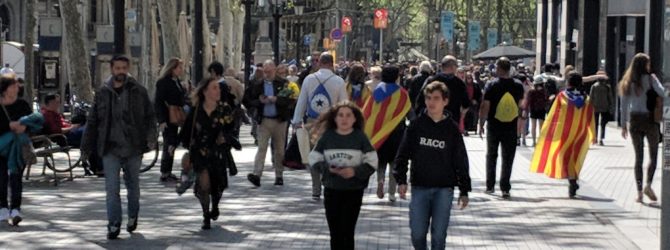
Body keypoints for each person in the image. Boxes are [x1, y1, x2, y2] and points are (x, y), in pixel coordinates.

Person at [81, 55, 157, 239]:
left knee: (133, 187)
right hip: (110, 148)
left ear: (128, 68)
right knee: (111, 188)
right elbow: (92, 121)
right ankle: (114, 224)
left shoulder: (139, 91)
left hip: (133, 147)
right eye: (117, 68)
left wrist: (151, 138)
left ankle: (132, 216)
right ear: (112, 69)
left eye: (124, 68)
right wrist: (85, 147)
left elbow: (149, 116)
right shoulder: (102, 93)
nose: (121, 71)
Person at [394, 81, 471, 250]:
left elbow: (460, 160)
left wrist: (464, 190)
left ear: (445, 101)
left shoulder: (452, 129)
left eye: (436, 98)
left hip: (444, 189)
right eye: (428, 98)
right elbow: (402, 154)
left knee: (438, 236)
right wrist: (401, 179)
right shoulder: (416, 126)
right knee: (417, 233)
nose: (431, 102)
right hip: (420, 186)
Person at [309, 101, 378, 250]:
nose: (344, 119)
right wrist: (328, 169)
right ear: (334, 118)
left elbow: (372, 162)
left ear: (355, 119)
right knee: (335, 232)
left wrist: (355, 171)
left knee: (347, 231)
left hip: (353, 191)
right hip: (332, 190)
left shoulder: (360, 137)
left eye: (348, 115)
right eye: (340, 115)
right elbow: (314, 158)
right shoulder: (327, 137)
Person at [180, 77, 239, 230]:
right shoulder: (196, 110)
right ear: (205, 91)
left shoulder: (224, 109)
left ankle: (216, 205)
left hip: (218, 153)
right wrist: (175, 145)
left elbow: (231, 128)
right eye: (214, 88)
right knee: (204, 185)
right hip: (200, 152)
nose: (218, 90)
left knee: (218, 185)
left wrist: (224, 137)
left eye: (218, 88)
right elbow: (186, 131)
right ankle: (206, 214)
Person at [292, 52, 348, 200]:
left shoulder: (309, 79)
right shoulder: (339, 81)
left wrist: (297, 121)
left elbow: (302, 101)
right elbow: (344, 104)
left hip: (312, 122)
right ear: (332, 63)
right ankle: (328, 182)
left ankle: (315, 187)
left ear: (319, 63)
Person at [531, 72, 595, 198]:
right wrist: (593, 133)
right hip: (580, 133)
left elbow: (553, 114)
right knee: (575, 157)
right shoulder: (586, 99)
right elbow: (590, 117)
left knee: (564, 156)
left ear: (569, 83)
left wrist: (548, 131)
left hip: (564, 133)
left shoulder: (562, 96)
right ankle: (573, 180)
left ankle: (572, 181)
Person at [618, 53, 664, 203]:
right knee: (654, 154)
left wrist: (623, 124)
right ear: (646, 64)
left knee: (639, 157)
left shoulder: (627, 81)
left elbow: (623, 105)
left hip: (635, 120)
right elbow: (662, 92)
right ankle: (648, 185)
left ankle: (639, 193)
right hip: (650, 120)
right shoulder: (651, 79)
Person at [362, 65, 411, 202]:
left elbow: (368, 111)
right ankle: (391, 193)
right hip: (397, 133)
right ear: (397, 77)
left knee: (381, 161)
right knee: (395, 162)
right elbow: (409, 113)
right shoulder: (402, 93)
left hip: (380, 133)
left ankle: (380, 180)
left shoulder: (377, 91)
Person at [478, 57, 525, 199]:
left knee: (491, 155)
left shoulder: (491, 85)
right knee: (508, 157)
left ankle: (490, 185)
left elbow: (485, 105)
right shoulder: (518, 85)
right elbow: (521, 105)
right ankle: (505, 188)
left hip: (494, 124)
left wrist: (481, 123)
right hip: (511, 125)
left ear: (498, 68)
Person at [243, 60, 294, 187]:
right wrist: (259, 102)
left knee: (280, 150)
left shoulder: (283, 83)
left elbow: (290, 101)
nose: (267, 74)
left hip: (279, 121)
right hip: (264, 120)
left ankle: (279, 175)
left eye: (269, 71)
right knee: (262, 148)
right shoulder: (257, 84)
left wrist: (276, 99)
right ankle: (257, 174)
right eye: (265, 71)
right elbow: (247, 99)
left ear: (275, 70)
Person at [0, 74, 33, 226]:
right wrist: (9, 126)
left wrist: (25, 127)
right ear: (5, 89)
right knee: (1, 178)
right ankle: (3, 207)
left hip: (18, 146)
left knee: (16, 177)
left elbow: (32, 122)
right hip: (1, 147)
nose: (17, 88)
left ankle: (16, 209)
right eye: (13, 86)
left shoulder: (23, 105)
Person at [415, 56, 470, 133]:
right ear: (453, 67)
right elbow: (466, 104)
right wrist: (462, 117)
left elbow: (420, 100)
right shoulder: (459, 83)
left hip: (431, 121)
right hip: (451, 122)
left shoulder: (431, 80)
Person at [154, 58, 187, 182]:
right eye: (179, 67)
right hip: (167, 116)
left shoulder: (177, 81)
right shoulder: (163, 82)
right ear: (172, 68)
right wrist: (161, 120)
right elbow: (158, 102)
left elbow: (180, 98)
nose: (181, 70)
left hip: (176, 114)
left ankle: (168, 170)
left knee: (172, 143)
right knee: (169, 142)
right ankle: (165, 171)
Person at [589, 73, 613, 146]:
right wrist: (611, 106)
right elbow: (610, 97)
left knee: (595, 123)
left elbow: (591, 96)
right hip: (604, 107)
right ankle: (601, 139)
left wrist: (590, 105)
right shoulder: (607, 87)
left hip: (595, 107)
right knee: (603, 124)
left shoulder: (594, 86)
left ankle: (595, 138)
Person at [526, 76, 548, 146]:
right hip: (542, 109)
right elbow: (546, 100)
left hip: (533, 109)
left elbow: (528, 101)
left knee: (533, 126)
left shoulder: (531, 91)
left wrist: (526, 109)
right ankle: (540, 141)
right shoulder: (544, 91)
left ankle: (533, 141)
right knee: (541, 126)